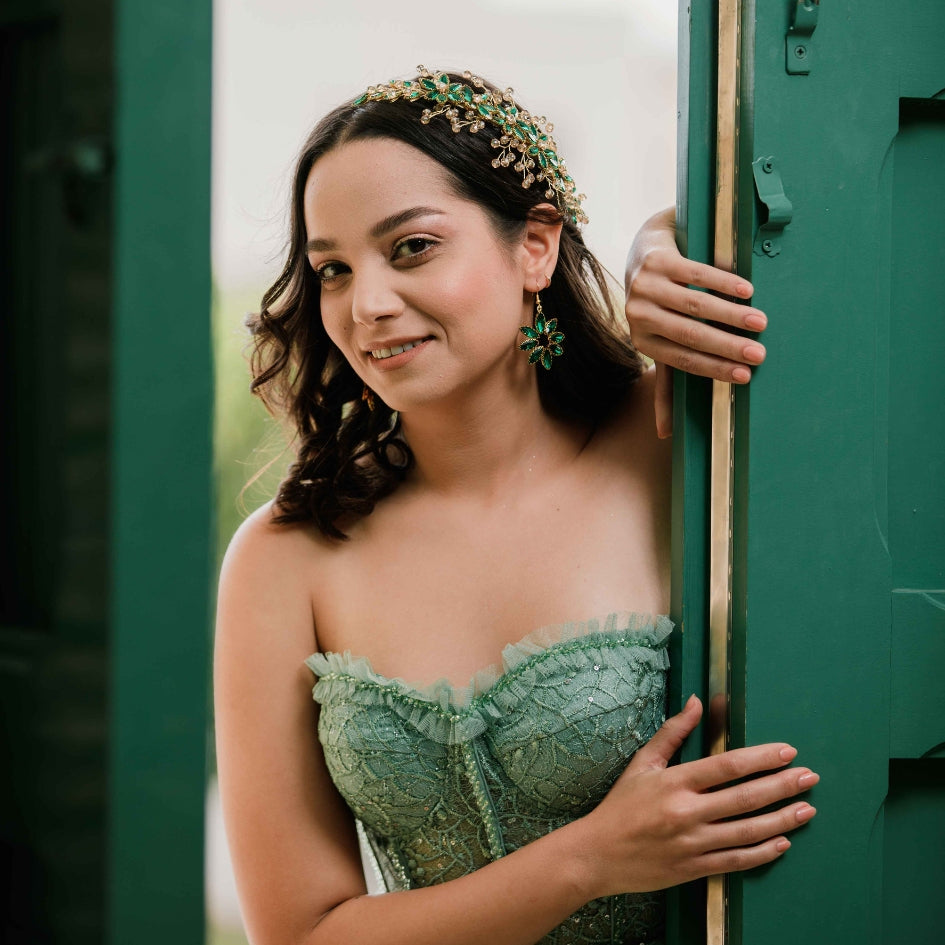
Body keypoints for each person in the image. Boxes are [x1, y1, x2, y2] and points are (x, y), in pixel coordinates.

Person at [214, 67, 816, 945]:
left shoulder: (674, 443)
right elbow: (300, 935)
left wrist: (656, 246)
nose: (368, 304)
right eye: (332, 270)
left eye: (411, 246)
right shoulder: (284, 556)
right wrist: (591, 858)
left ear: (534, 246)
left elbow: (815, 255)